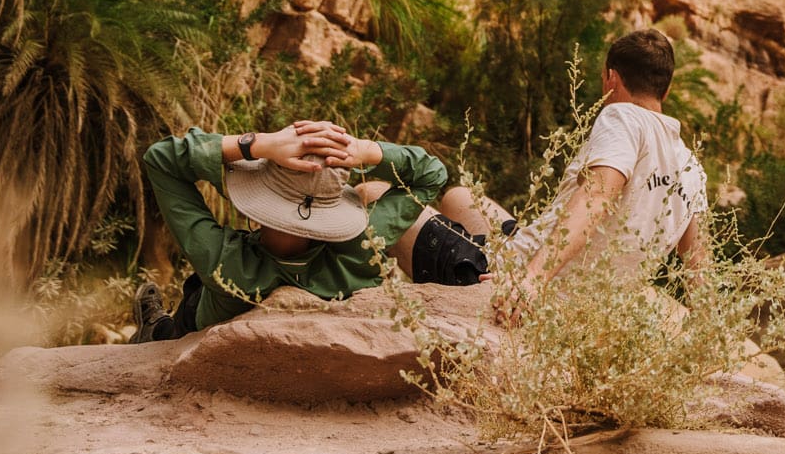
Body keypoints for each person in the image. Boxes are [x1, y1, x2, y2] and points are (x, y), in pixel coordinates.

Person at [131, 118, 507, 341]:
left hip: (196, 327)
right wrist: (364, 150)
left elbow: (161, 159)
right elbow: (430, 174)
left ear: (258, 208)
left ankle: (154, 327)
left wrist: (257, 145)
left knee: (174, 326)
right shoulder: (361, 248)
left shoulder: (226, 264)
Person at [507, 28, 710, 303]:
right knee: (498, 219)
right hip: (596, 306)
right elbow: (698, 268)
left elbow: (598, 195)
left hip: (529, 277)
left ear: (611, 79)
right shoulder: (692, 168)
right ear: (667, 90)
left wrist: (532, 279)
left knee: (457, 197)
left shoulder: (622, 116)